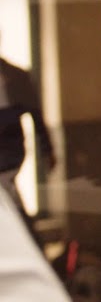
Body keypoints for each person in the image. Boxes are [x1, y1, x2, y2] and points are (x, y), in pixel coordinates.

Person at [0, 50, 55, 241]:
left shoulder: (15, 77)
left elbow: (35, 116)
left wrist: (47, 149)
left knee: (11, 202)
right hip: (10, 153)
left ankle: (31, 241)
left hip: (9, 153)